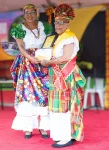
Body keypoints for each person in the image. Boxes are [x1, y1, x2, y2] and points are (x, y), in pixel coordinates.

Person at [40, 3, 86, 148]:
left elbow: (66, 57)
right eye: (56, 22)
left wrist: (48, 61)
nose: (58, 25)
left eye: (61, 22)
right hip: (57, 75)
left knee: (64, 106)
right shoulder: (60, 37)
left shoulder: (69, 37)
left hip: (65, 76)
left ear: (67, 23)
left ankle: (66, 137)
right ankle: (62, 135)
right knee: (58, 106)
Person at [10, 4, 52, 139]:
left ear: (36, 12)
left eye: (31, 12)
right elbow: (20, 46)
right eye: (26, 12)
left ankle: (43, 126)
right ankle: (28, 128)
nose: (29, 15)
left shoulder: (45, 26)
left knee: (44, 94)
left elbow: (49, 42)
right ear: (23, 13)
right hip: (27, 63)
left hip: (43, 61)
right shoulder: (18, 29)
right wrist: (29, 57)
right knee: (28, 95)